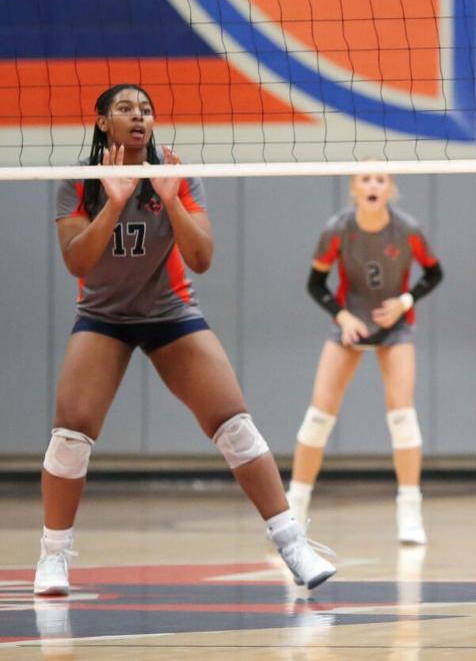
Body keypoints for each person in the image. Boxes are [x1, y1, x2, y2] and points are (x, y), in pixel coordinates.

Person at [38, 84, 335, 596]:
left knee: (234, 425)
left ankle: (293, 545)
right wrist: (113, 203)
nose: (139, 116)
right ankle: (53, 557)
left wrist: (171, 200)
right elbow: (77, 263)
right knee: (71, 436)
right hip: (103, 316)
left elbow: (201, 258)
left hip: (169, 312)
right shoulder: (80, 180)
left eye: (146, 109)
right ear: (103, 122)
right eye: (125, 109)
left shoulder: (176, 174)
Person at [287, 173, 443, 544]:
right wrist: (342, 317)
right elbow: (315, 283)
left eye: (380, 179)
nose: (373, 185)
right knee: (319, 415)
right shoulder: (337, 230)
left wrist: (403, 303)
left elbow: (434, 272)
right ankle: (294, 509)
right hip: (350, 326)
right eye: (365, 179)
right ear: (355, 189)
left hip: (395, 328)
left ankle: (409, 512)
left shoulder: (409, 230)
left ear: (390, 189)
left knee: (402, 416)